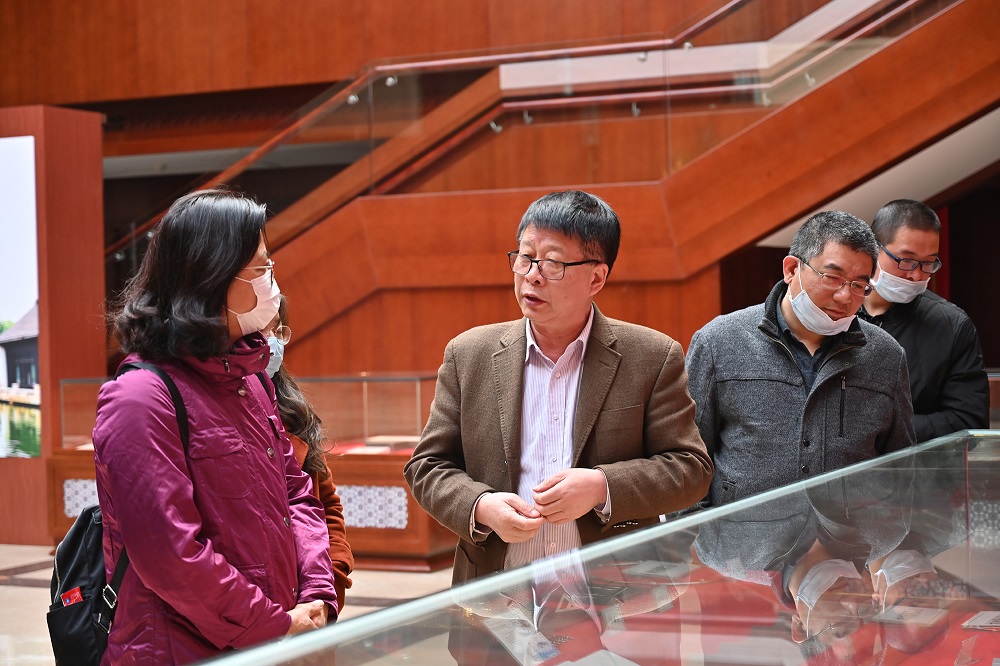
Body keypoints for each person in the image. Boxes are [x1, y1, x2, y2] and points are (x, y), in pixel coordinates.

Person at [403, 189, 713, 586]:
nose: (532, 275)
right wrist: (481, 506)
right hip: (498, 590)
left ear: (596, 277)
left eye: (552, 263)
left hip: (615, 593)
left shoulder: (651, 356)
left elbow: (691, 469)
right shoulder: (468, 354)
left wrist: (601, 486)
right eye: (525, 257)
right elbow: (427, 467)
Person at [93, 189, 338, 665]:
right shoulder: (141, 398)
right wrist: (273, 624)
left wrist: (316, 594)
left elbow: (296, 494)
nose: (273, 284)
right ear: (212, 276)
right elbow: (171, 556)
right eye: (261, 270)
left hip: (276, 638)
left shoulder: (250, 379)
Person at [685, 210, 915, 508]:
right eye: (832, 277)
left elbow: (901, 467)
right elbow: (688, 460)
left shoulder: (886, 355)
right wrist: (697, 534)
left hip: (848, 533)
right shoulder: (718, 341)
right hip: (744, 534)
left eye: (859, 285)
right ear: (792, 269)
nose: (845, 297)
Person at [860, 199, 989, 442]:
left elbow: (968, 422)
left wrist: (881, 427)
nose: (916, 275)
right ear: (872, 250)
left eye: (928, 263)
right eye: (906, 260)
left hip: (917, 464)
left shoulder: (952, 325)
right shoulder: (837, 311)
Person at [264, 295, 354, 607]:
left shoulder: (291, 409)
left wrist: (335, 573)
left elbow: (327, 504)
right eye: (263, 331)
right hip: (259, 604)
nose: (273, 342)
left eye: (278, 331)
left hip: (313, 595)